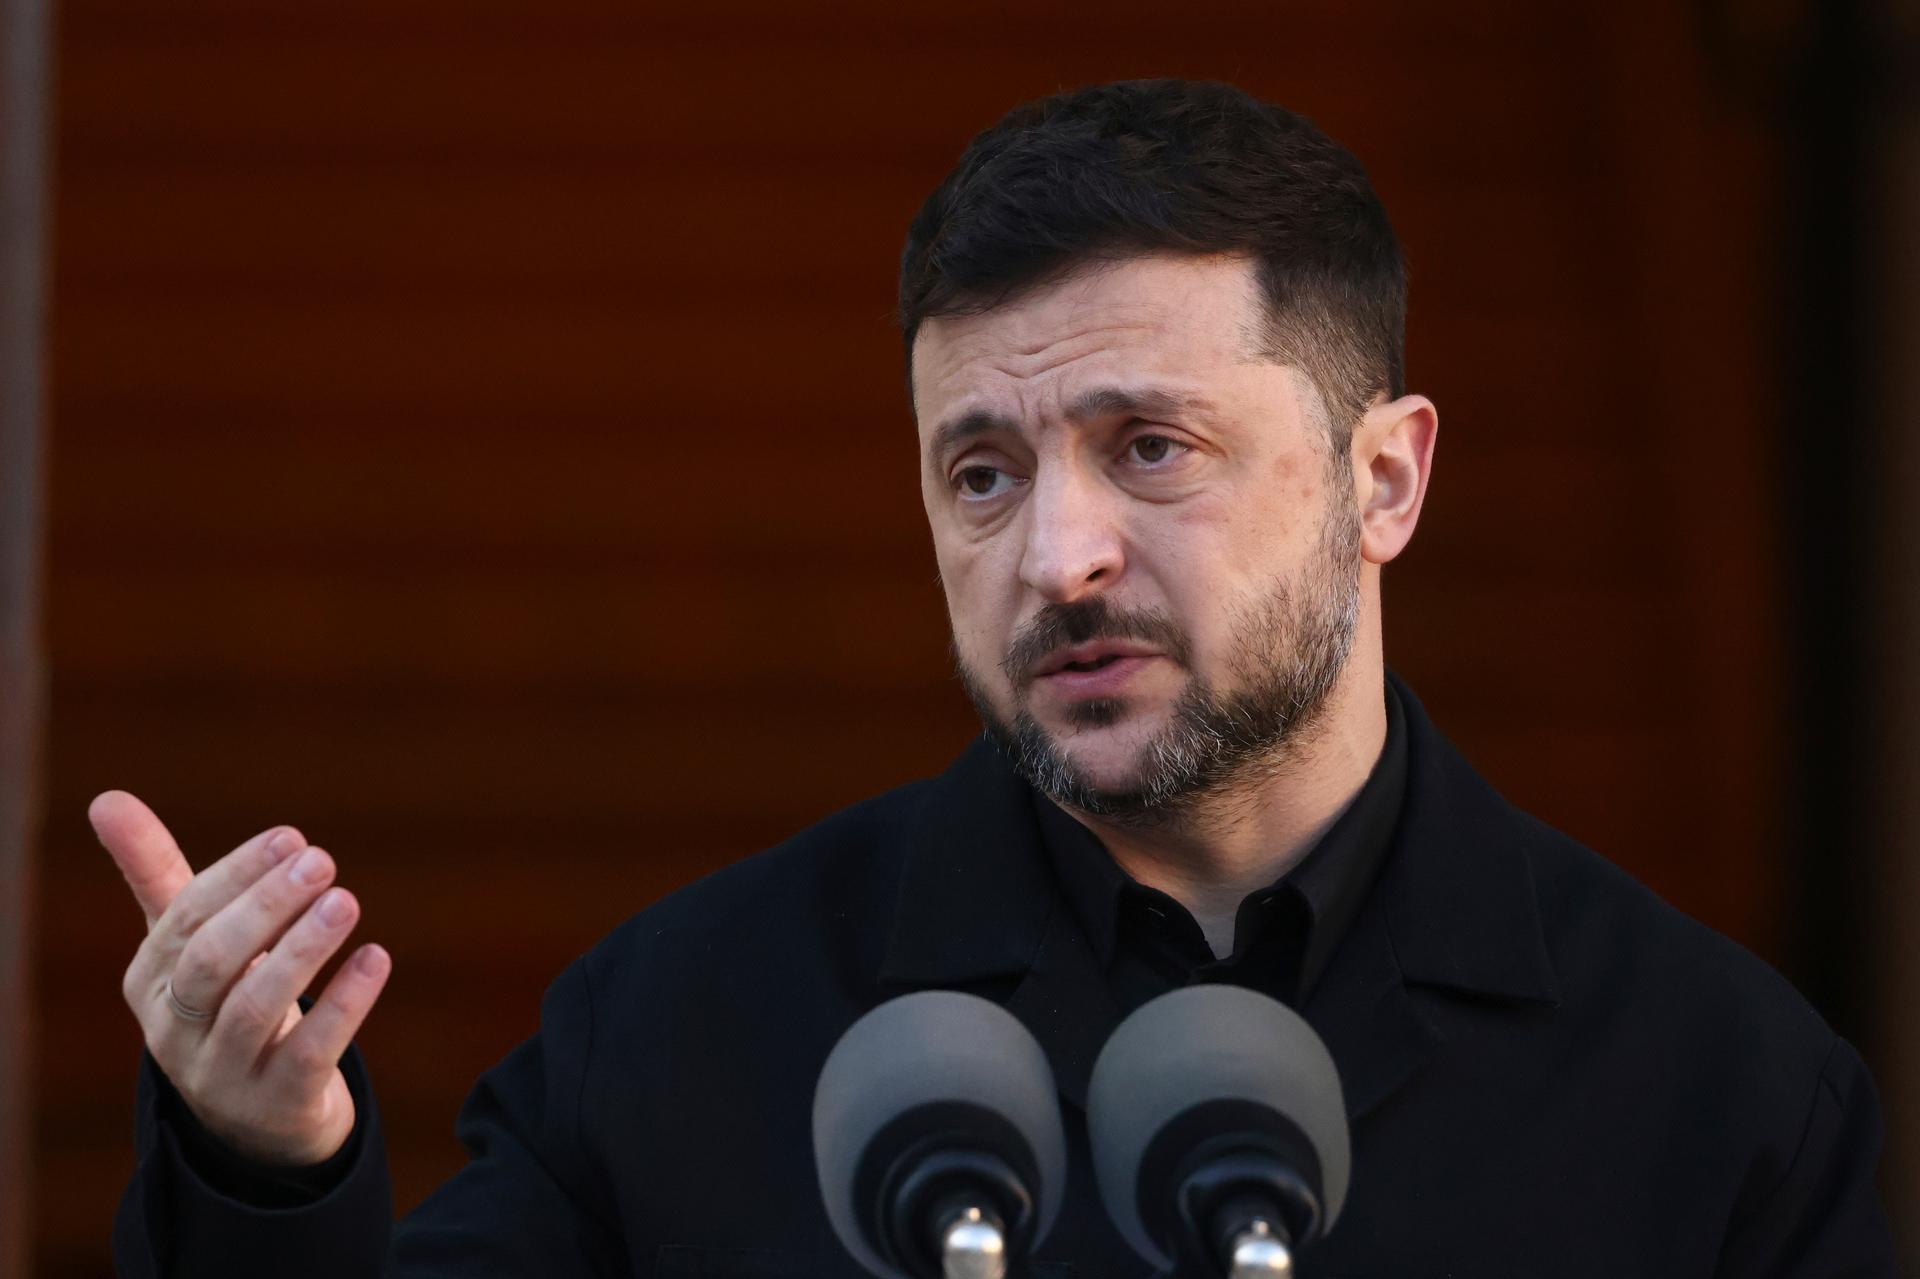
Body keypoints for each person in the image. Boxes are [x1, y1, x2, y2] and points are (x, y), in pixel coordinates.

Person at [99, 79, 1897, 1277]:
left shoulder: (1718, 1095)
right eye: (982, 473)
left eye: (1151, 448)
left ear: (1385, 481)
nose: (1056, 556)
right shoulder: (679, 1032)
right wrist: (262, 1167)